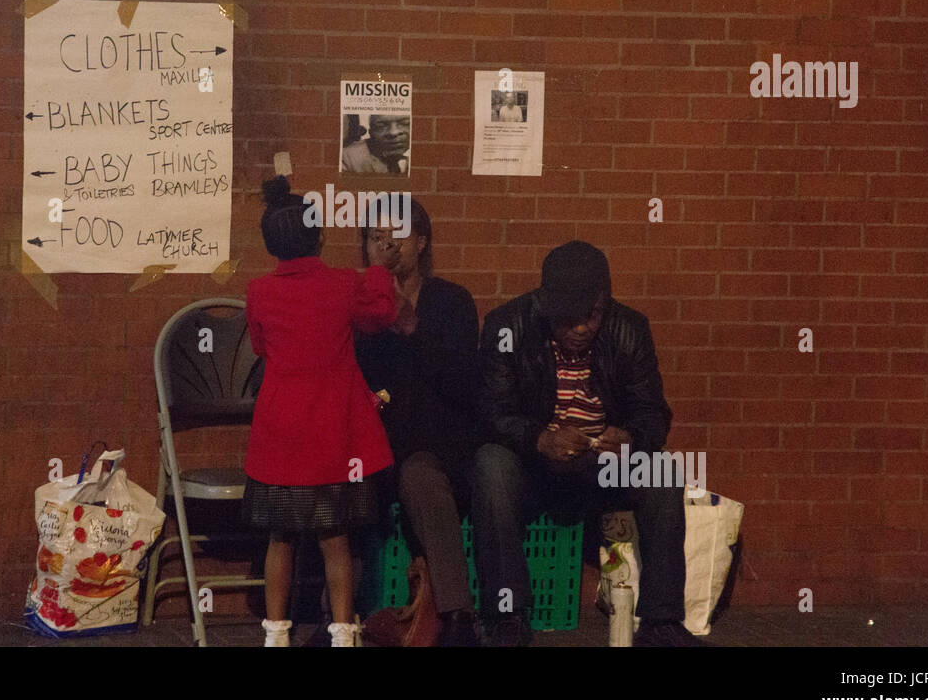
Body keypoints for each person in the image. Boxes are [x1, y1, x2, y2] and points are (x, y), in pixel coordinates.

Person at [473, 240, 700, 647]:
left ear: (604, 302)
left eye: (592, 315)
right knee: (491, 464)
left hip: (601, 464)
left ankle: (660, 622)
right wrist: (539, 439)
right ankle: (508, 617)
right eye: (569, 318)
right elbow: (491, 413)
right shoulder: (508, 327)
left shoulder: (628, 329)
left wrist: (630, 438)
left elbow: (653, 413)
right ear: (545, 306)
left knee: (663, 472)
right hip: (534, 465)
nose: (582, 327)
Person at [242, 175, 399, 647]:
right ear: (319, 236)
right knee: (336, 539)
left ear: (271, 242)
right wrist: (378, 269)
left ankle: (275, 633)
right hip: (335, 432)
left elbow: (260, 345)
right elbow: (380, 317)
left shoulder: (258, 291)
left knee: (281, 538)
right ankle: (344, 631)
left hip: (280, 430)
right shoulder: (342, 285)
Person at [354, 200, 482, 646]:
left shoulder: (451, 301)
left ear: (422, 242)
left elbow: (465, 383)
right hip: (371, 445)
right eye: (376, 237)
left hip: (435, 446)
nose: (388, 245)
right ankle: (338, 615)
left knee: (422, 475)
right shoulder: (355, 305)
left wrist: (412, 327)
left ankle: (458, 618)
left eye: (399, 235)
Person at [341, 114, 410, 173]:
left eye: (405, 123)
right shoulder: (348, 158)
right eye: (381, 126)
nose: (393, 132)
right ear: (371, 133)